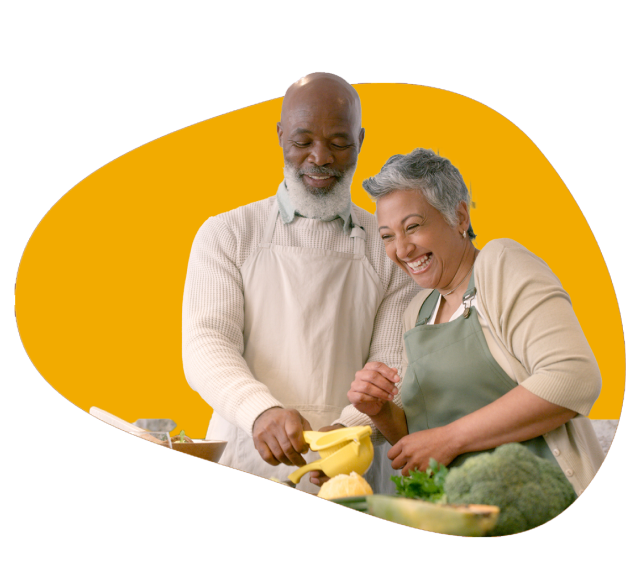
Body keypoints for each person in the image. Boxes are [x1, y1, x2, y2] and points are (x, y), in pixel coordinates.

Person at [182, 72, 418, 493]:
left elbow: (392, 369)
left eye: (339, 142)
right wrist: (260, 411)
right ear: (279, 135)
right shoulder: (227, 233)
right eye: (303, 141)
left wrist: (344, 433)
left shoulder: (391, 248)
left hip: (353, 471)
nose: (320, 157)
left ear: (361, 140)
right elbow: (206, 343)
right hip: (246, 457)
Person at [348, 148, 605, 496]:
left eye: (413, 227)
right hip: (458, 510)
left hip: (537, 500)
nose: (403, 249)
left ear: (459, 217)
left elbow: (574, 377)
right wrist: (379, 410)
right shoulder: (418, 310)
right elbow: (421, 442)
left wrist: (451, 438)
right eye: (388, 236)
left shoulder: (500, 265)